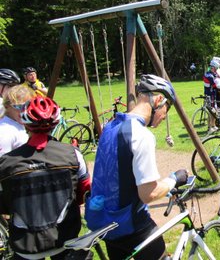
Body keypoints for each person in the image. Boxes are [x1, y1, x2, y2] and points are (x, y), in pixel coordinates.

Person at [85, 74, 188, 260]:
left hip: (104, 221)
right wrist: (174, 178)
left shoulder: (110, 126)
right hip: (130, 224)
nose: (165, 116)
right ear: (158, 100)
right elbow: (148, 194)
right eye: (167, 108)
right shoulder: (141, 135)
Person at [0, 96, 91, 259]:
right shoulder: (73, 154)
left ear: (25, 124)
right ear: (55, 123)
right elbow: (84, 193)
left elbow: (4, 205)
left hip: (26, 245)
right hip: (64, 239)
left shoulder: (6, 163)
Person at [0, 85, 35, 156]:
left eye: (28, 106)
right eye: (19, 106)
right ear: (7, 106)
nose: (24, 111)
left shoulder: (16, 124)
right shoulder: (5, 132)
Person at [204, 59, 220, 133]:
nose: (216, 70)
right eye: (216, 68)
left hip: (208, 94)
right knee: (212, 111)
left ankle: (212, 126)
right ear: (213, 67)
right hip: (211, 95)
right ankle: (211, 127)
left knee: (212, 111)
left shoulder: (207, 73)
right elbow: (215, 86)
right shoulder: (210, 76)